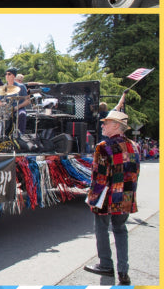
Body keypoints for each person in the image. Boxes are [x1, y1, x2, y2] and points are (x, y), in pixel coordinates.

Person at [84, 107, 139, 284]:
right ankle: (123, 271)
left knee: (101, 228)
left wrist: (92, 198)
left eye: (106, 123)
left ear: (116, 126)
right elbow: (135, 173)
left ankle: (105, 264)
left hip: (107, 196)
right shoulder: (134, 146)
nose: (103, 126)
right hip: (126, 195)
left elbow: (99, 177)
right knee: (121, 231)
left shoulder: (103, 147)